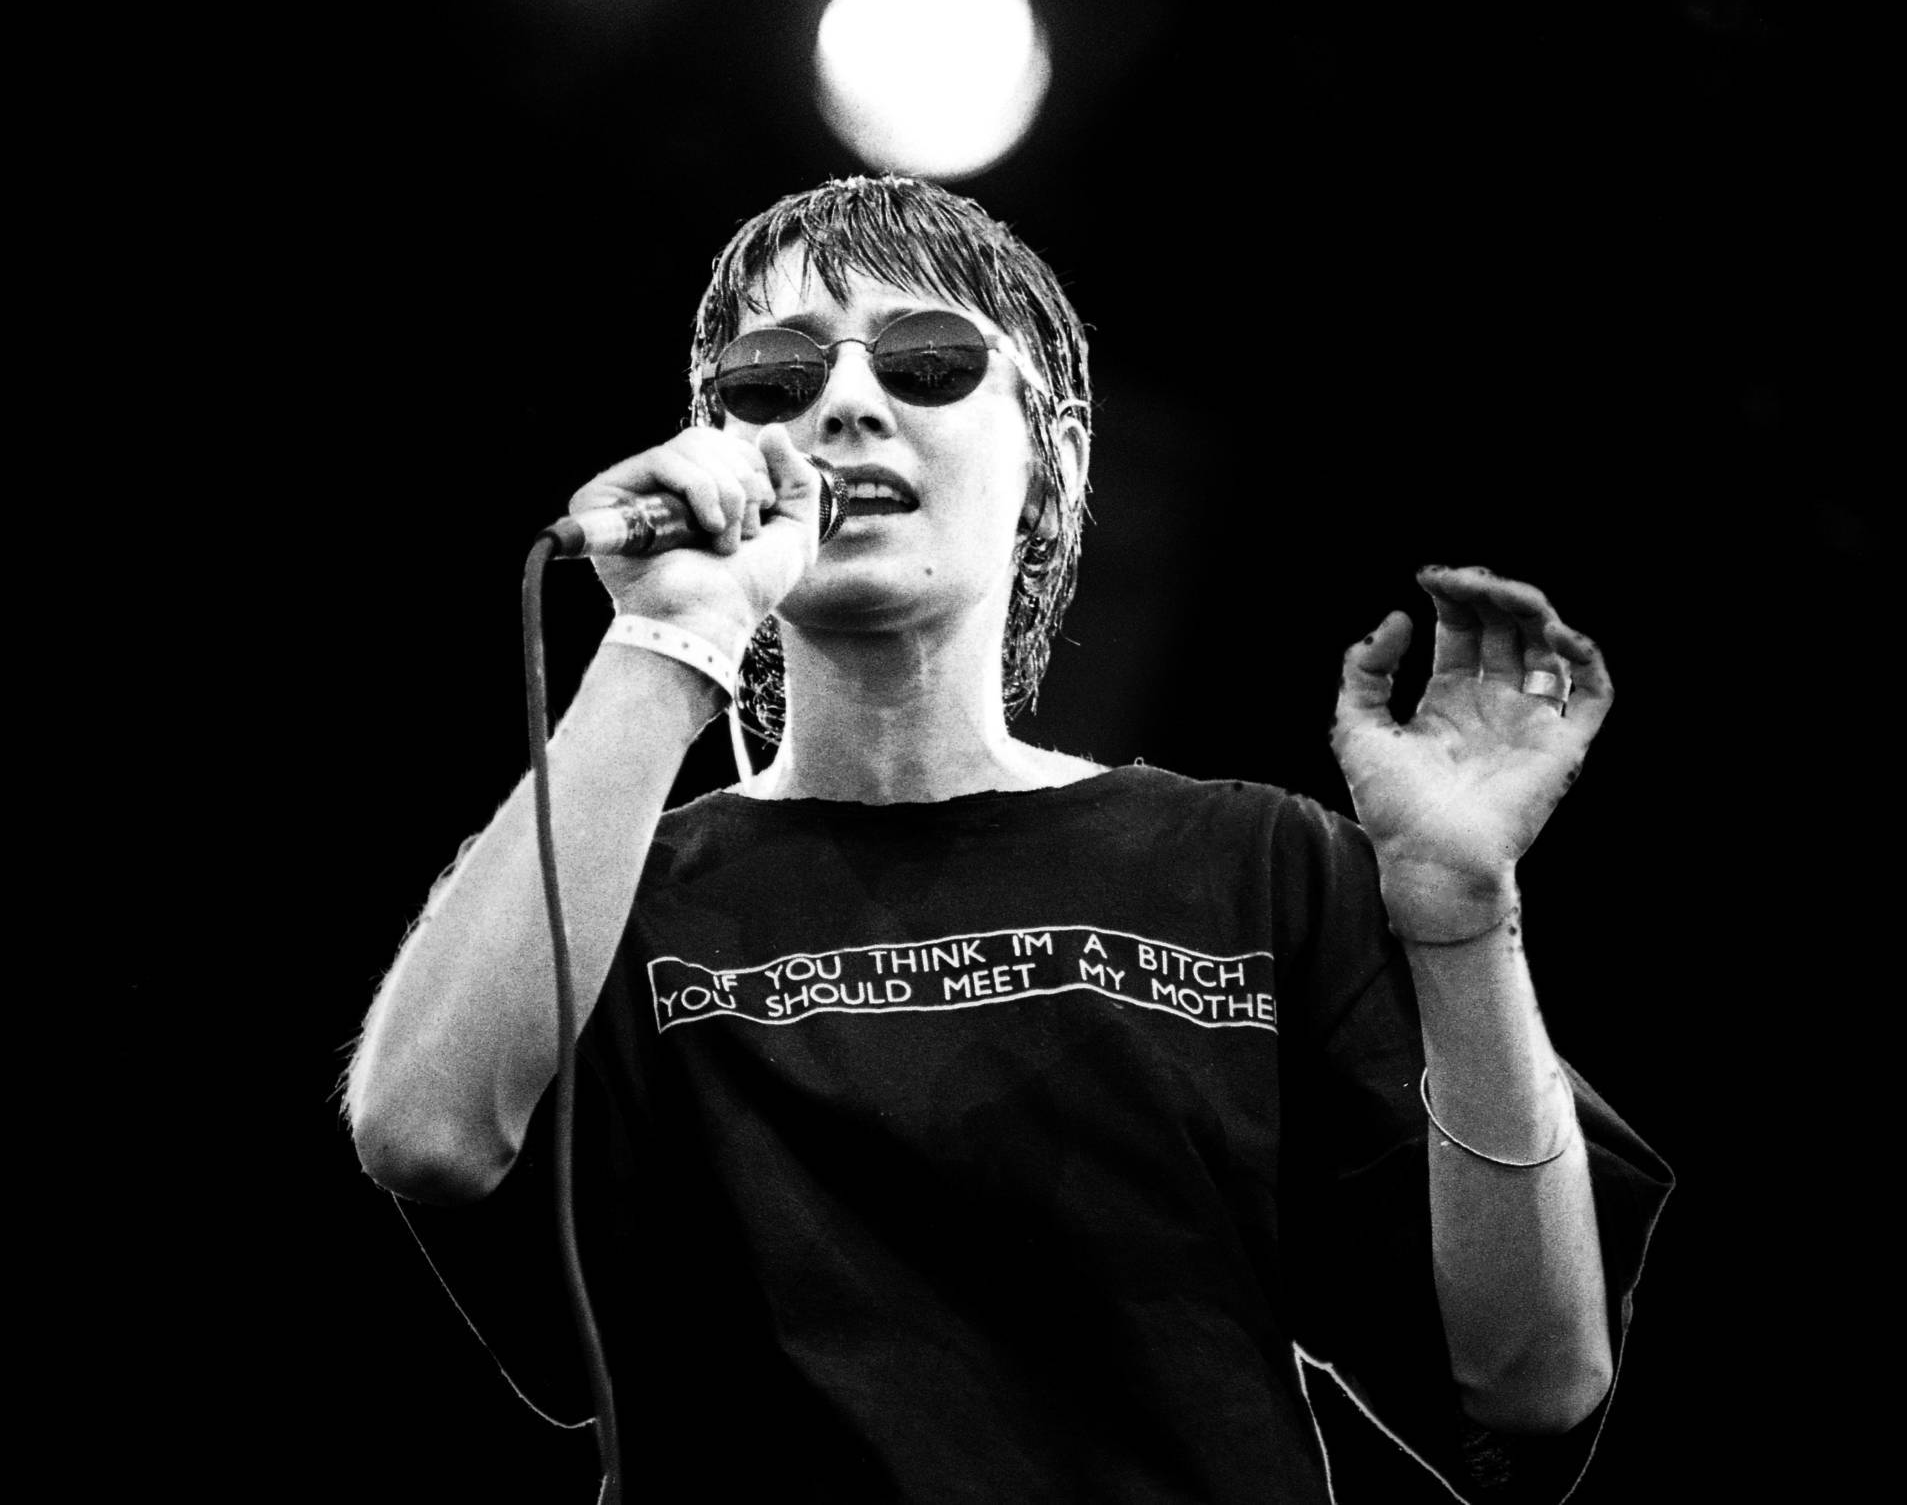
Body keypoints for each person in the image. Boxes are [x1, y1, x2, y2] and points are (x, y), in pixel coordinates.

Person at [344, 175, 1671, 1502]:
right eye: (774, 376)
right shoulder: (607, 889)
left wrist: (1459, 914)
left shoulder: (1253, 868)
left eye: (927, 361)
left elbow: (1535, 1380)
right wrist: (673, 632)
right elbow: (425, 1132)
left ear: (1058, 455)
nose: (848, 403)